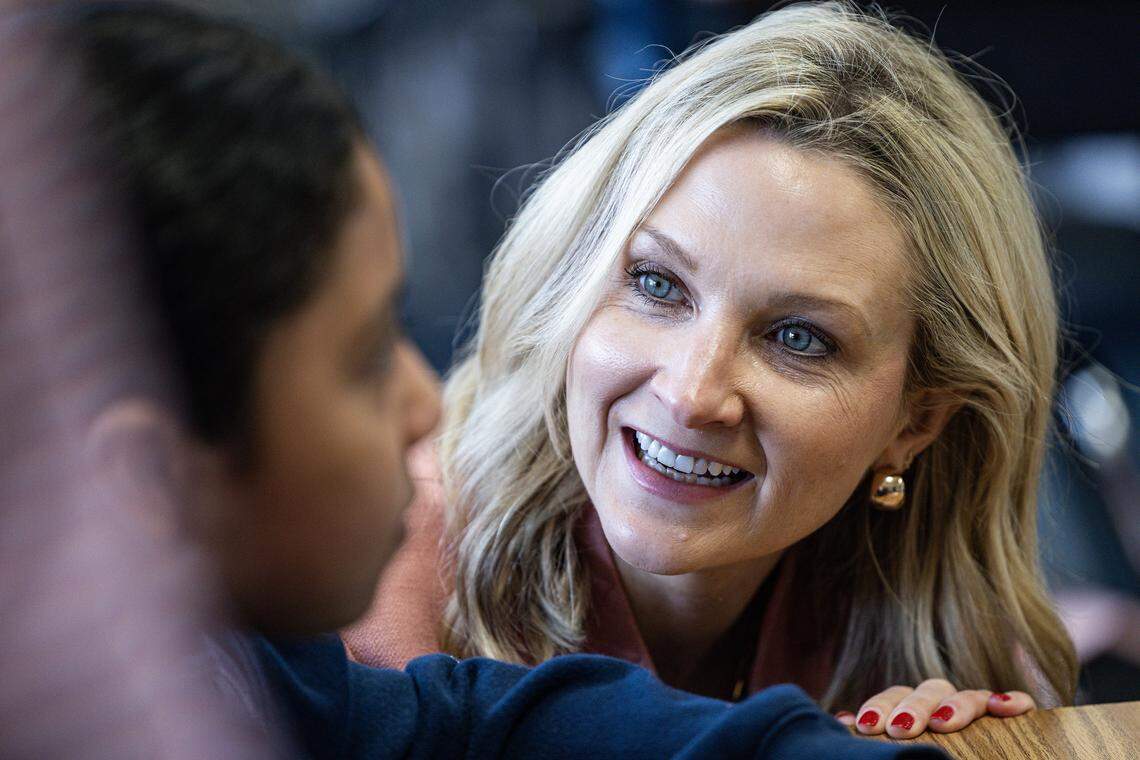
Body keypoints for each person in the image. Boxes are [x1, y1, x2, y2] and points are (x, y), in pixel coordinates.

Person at [70, 3, 947, 758]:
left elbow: (484, 725)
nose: (427, 403)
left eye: (798, 336)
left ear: (922, 417)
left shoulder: (302, 688)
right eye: (368, 355)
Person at [343, 0, 1079, 740]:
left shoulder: (930, 640)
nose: (692, 394)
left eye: (797, 337)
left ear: (917, 421)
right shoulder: (373, 584)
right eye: (658, 285)